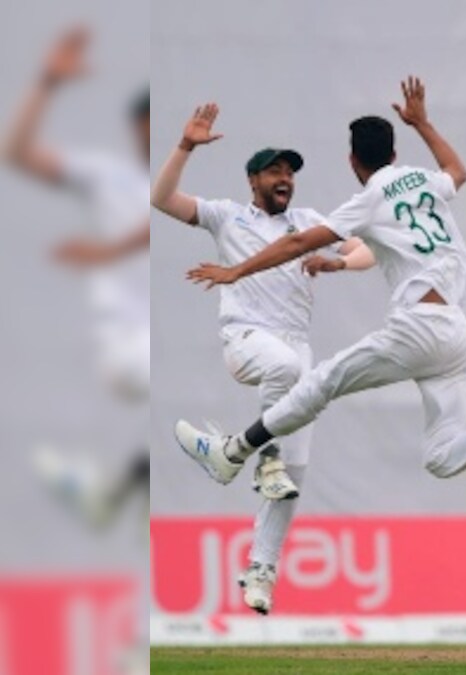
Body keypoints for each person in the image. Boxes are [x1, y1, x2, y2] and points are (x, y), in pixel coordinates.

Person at [172, 76, 466, 502]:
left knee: (320, 382)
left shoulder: (369, 198)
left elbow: (295, 242)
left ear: (352, 161)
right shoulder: (423, 180)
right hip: (456, 334)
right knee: (441, 457)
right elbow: (458, 172)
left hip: (418, 326)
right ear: (395, 153)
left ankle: (234, 450)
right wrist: (422, 123)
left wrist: (238, 270)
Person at [151, 103, 374, 614]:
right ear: (253, 179)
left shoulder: (310, 222)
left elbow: (369, 249)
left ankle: (260, 569)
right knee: (287, 375)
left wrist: (339, 264)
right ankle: (259, 455)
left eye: (290, 171)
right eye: (275, 170)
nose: (285, 178)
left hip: (295, 342)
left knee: (293, 480)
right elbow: (160, 199)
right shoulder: (227, 216)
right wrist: (185, 146)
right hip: (247, 338)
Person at [4, 26, 150, 528]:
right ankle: (112, 491)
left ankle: (112, 494)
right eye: (148, 123)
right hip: (128, 346)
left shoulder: (185, 190)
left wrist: (105, 250)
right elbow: (18, 153)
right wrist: (47, 81)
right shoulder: (108, 175)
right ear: (137, 128)